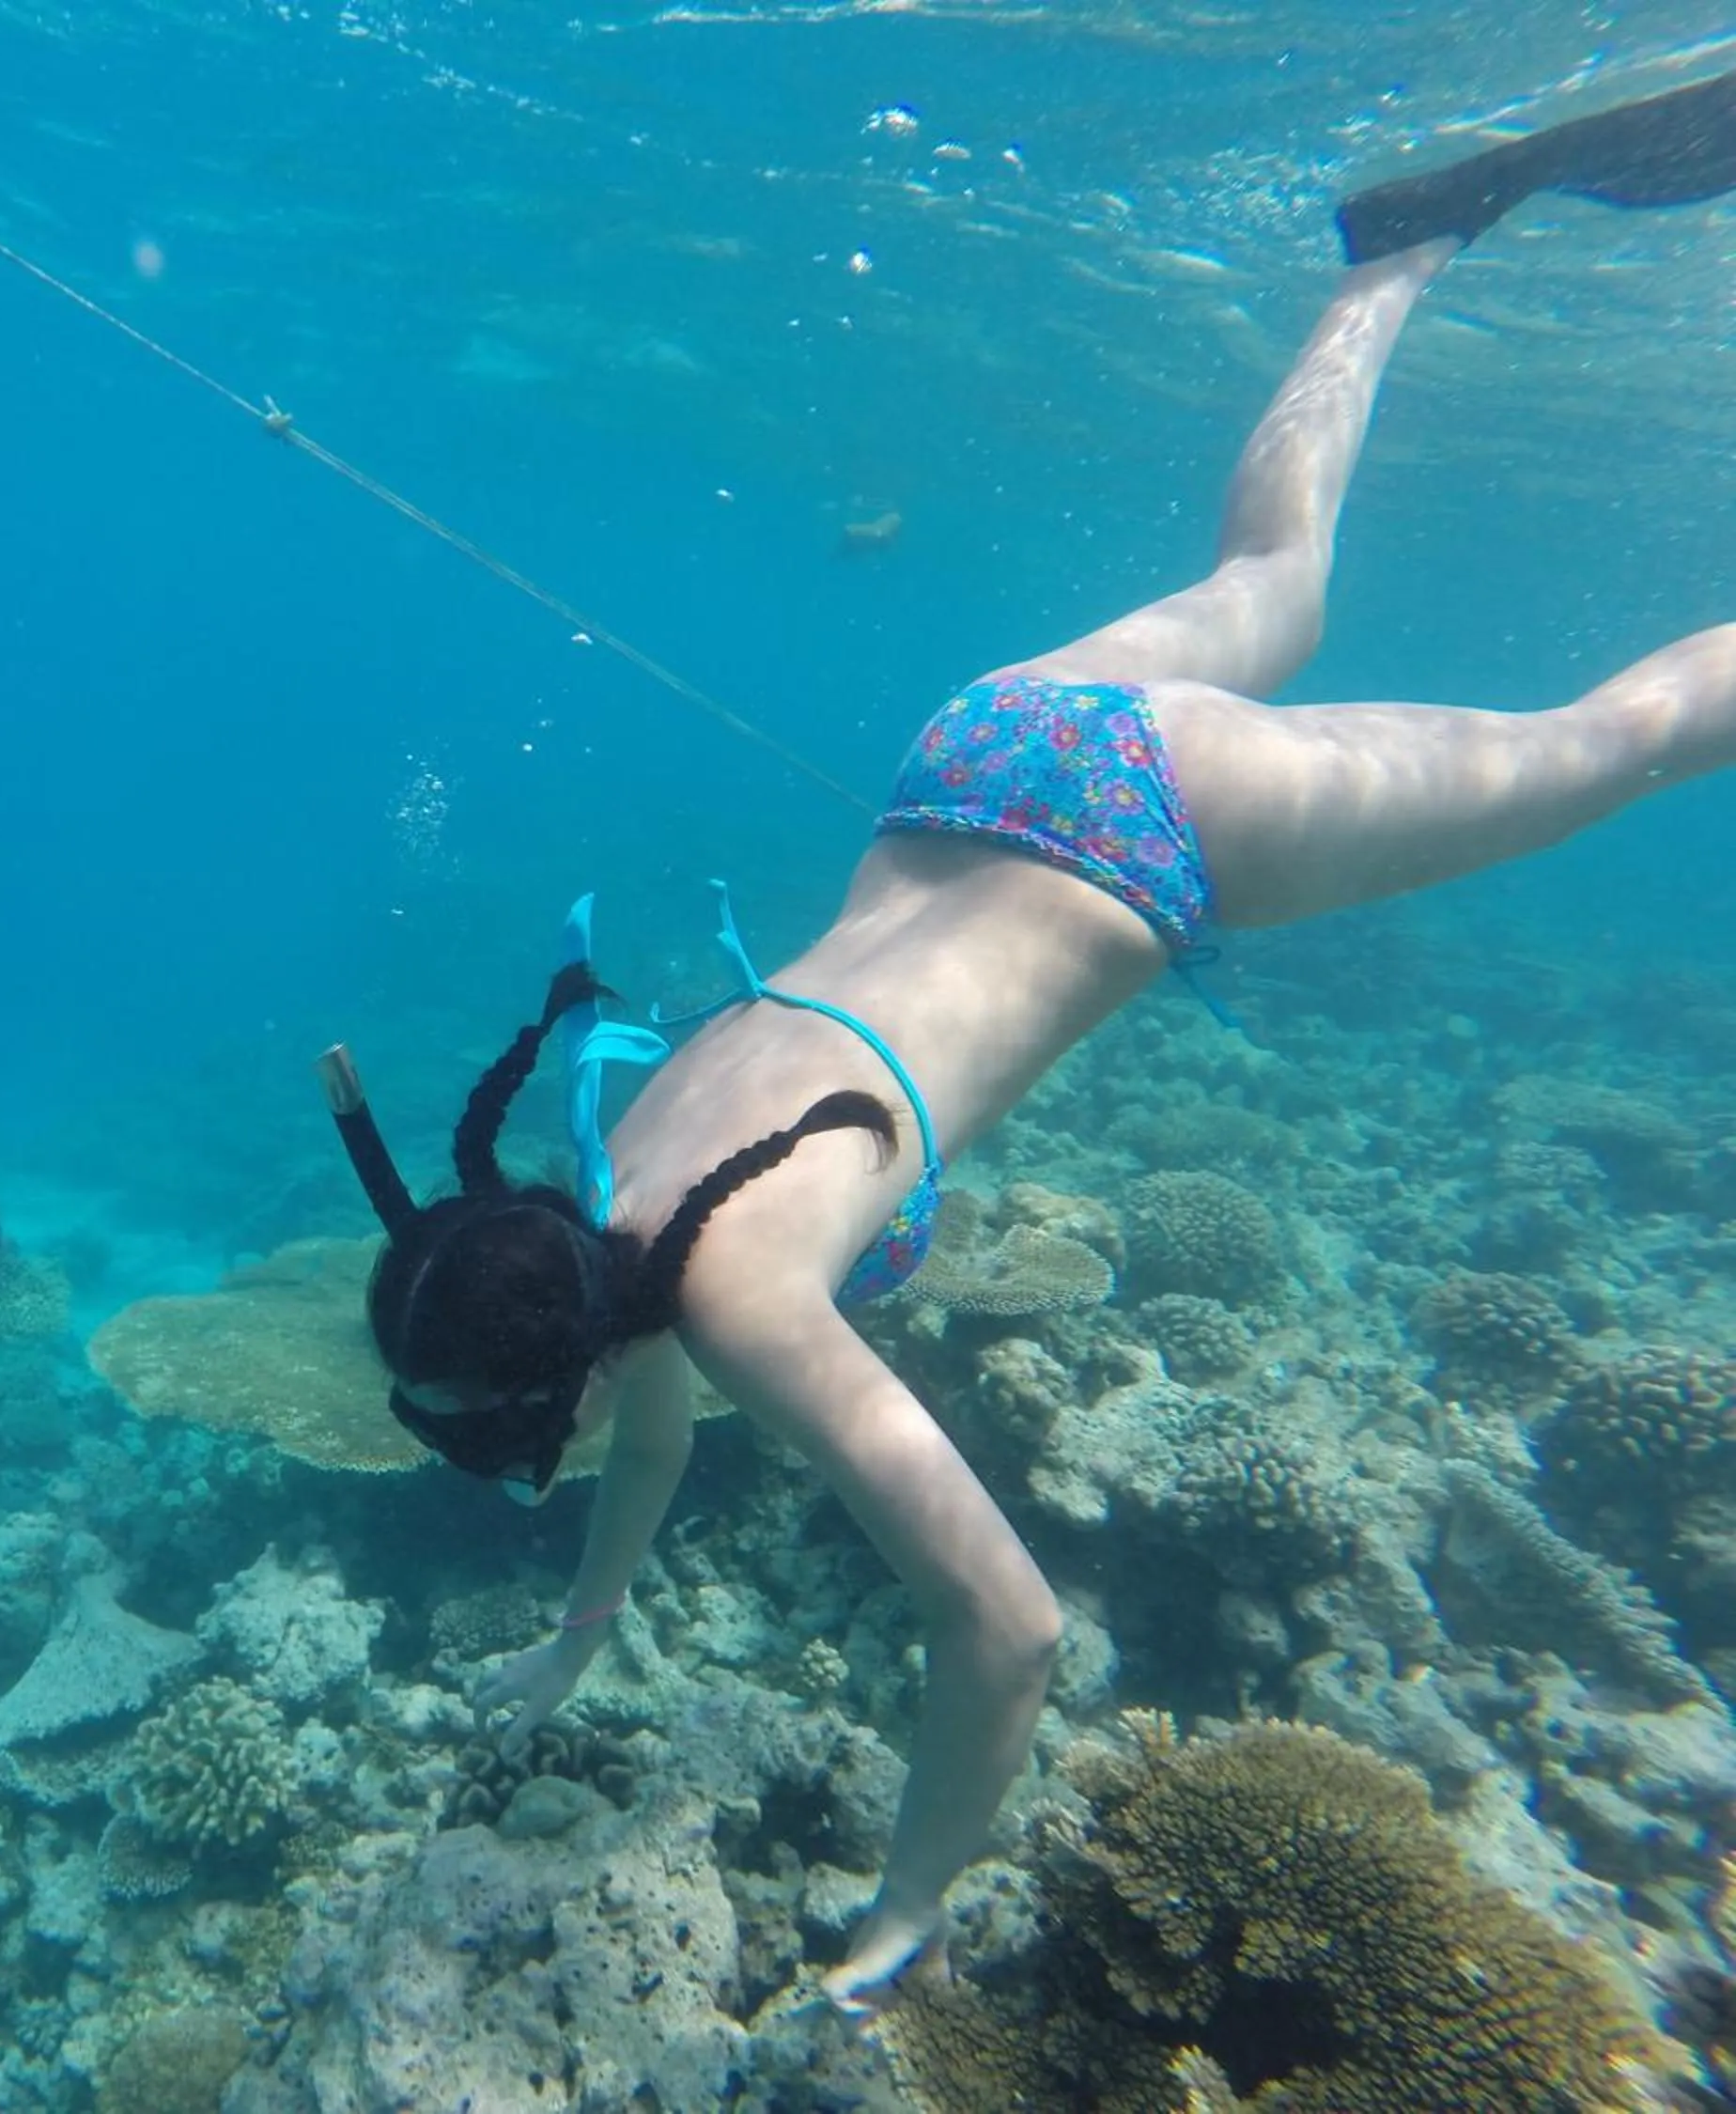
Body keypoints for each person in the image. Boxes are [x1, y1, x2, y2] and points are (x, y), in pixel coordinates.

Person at [318, 69, 1736, 2017]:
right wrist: (583, 1632)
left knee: (1613, 746)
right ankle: (1402, 254)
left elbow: (1006, 1631)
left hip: (1153, 828)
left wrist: (905, 1909)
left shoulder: (733, 1303)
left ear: (547, 1366)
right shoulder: (613, 1179)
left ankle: (1428, 283)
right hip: (981, 751)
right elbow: (642, 1438)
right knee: (1279, 586)